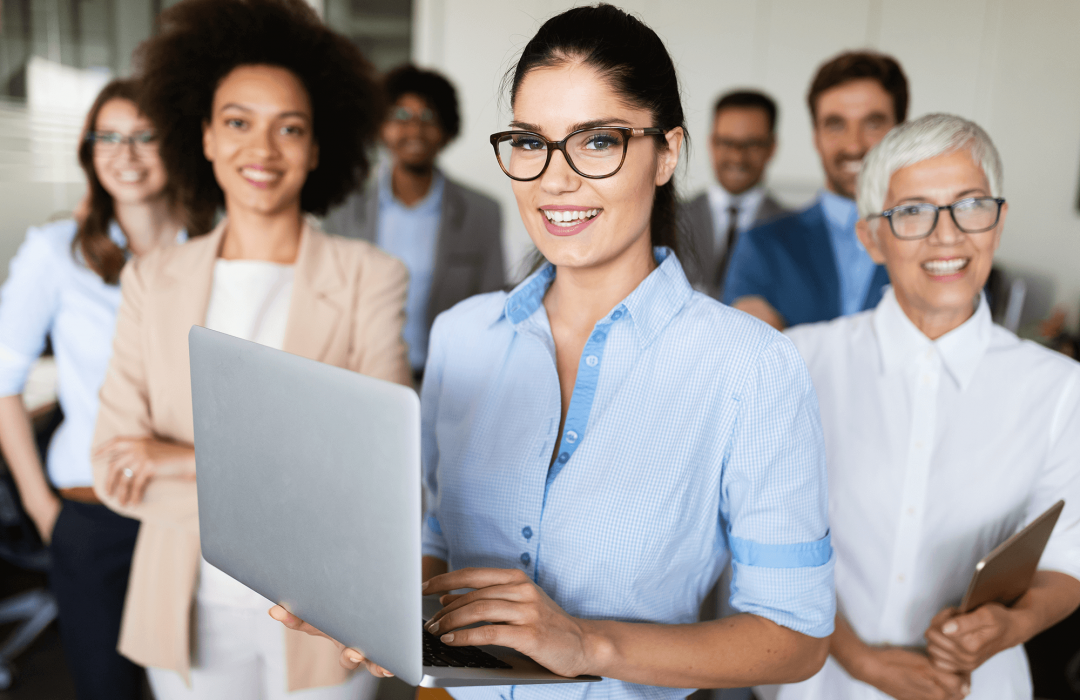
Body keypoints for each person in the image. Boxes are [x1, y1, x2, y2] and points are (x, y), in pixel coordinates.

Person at [272, 4, 835, 698]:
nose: (554, 178)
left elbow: (794, 637)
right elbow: (435, 541)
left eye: (597, 141)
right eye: (531, 142)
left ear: (667, 153)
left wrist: (585, 641)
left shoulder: (751, 366)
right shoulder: (462, 336)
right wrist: (369, 607)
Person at [89, 0, 410, 698]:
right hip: (183, 606)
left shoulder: (370, 278)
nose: (261, 149)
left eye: (288, 129)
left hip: (326, 617)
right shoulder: (152, 279)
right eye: (237, 122)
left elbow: (376, 476)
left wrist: (178, 460)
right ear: (203, 136)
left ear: (318, 148)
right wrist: (293, 477)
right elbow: (114, 461)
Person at [776, 114, 1080, 699]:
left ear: (998, 221)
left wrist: (1012, 624)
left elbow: (1067, 559)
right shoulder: (798, 363)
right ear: (871, 237)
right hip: (824, 686)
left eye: (970, 205)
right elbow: (754, 545)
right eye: (913, 211)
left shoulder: (1060, 390)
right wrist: (860, 660)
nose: (948, 236)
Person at [0, 78, 192, 700]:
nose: (124, 152)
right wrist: (42, 511)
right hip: (91, 510)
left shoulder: (215, 250)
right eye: (106, 136)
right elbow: (3, 381)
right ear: (88, 151)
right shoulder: (56, 252)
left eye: (144, 135)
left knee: (197, 682)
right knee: (106, 688)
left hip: (193, 511)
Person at [326, 64, 505, 379]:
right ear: (380, 126)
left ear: (447, 130)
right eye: (400, 116)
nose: (414, 130)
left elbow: (493, 309)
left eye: (428, 117)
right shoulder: (342, 209)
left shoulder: (482, 213)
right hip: (358, 378)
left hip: (451, 382)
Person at [724, 52, 907, 329]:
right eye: (836, 125)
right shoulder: (763, 247)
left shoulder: (935, 240)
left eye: (872, 123)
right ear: (815, 137)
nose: (854, 146)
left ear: (901, 132)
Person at [679, 90, 788, 298]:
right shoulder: (668, 219)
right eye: (727, 143)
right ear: (711, 143)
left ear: (772, 147)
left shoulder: (790, 229)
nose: (738, 157)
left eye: (752, 144)